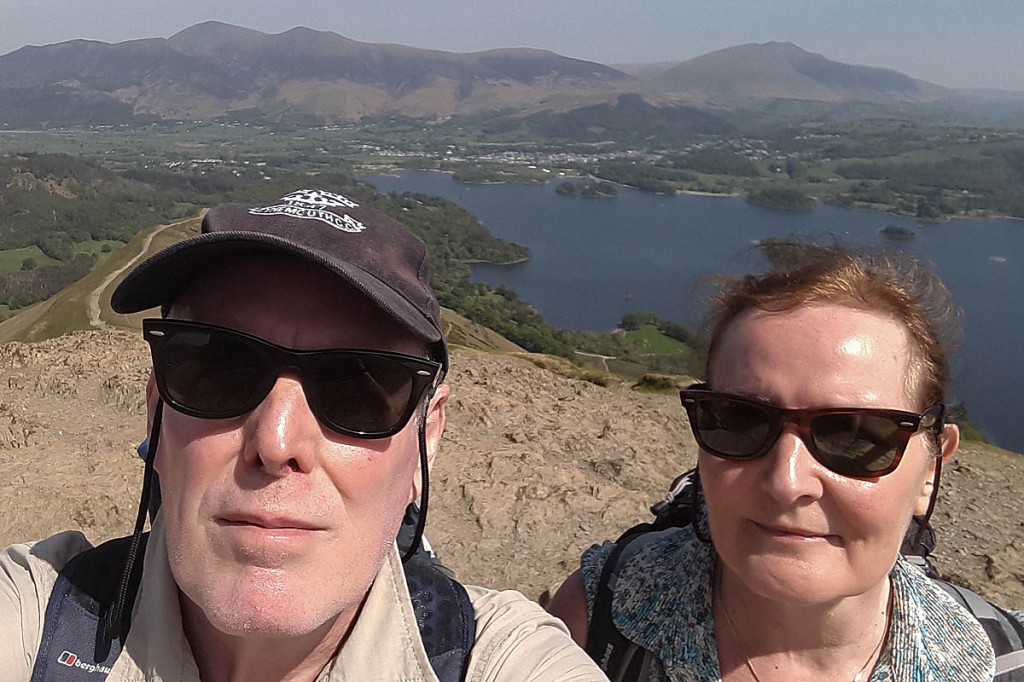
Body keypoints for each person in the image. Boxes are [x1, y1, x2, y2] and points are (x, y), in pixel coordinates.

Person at [1, 189, 608, 681]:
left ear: (426, 440)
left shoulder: (500, 661)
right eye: (217, 368)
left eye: (360, 386)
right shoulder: (38, 624)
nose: (277, 441)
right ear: (157, 412)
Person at [548, 244, 1024, 681]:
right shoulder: (595, 619)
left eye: (855, 434)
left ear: (931, 471)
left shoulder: (1006, 662)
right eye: (738, 420)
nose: (786, 481)